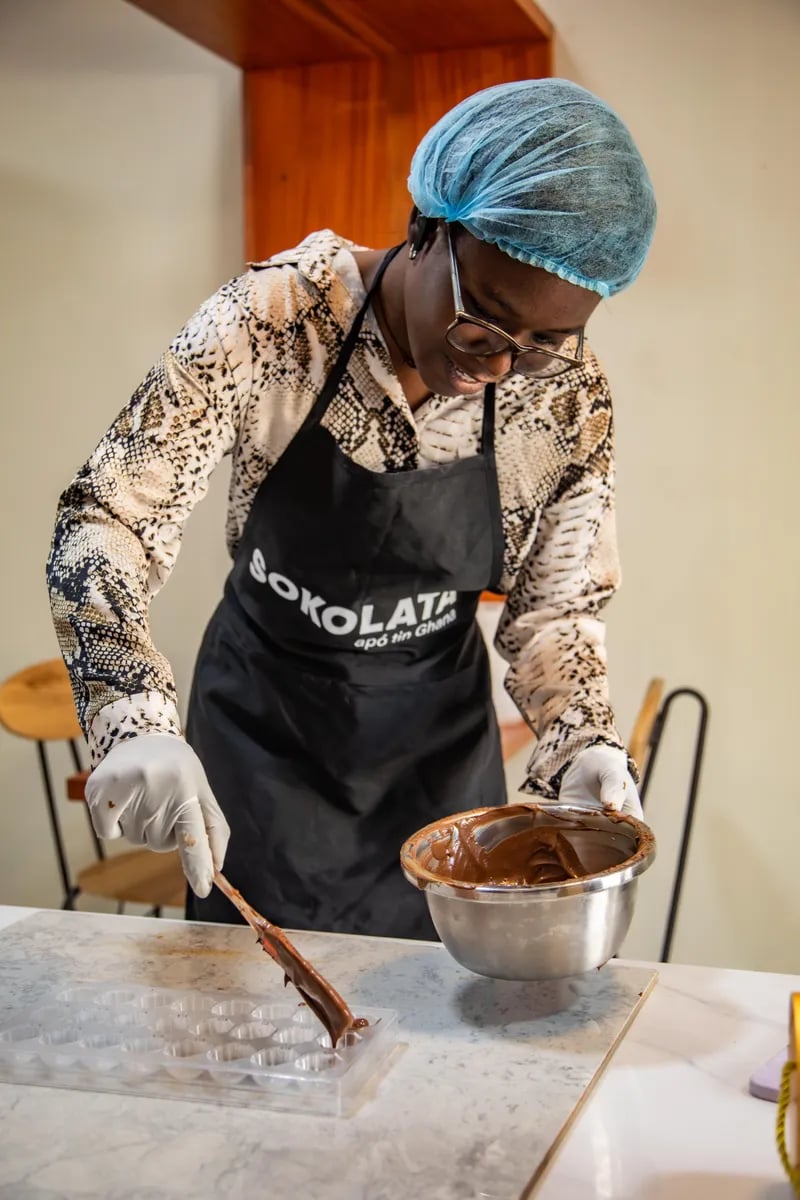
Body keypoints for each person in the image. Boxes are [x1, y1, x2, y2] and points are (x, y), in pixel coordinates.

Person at [47, 78, 656, 939]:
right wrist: (131, 711)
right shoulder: (272, 323)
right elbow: (109, 516)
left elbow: (555, 609)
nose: (498, 366)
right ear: (424, 229)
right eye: (482, 322)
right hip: (265, 754)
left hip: (437, 773)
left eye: (545, 345)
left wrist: (583, 739)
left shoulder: (562, 398)